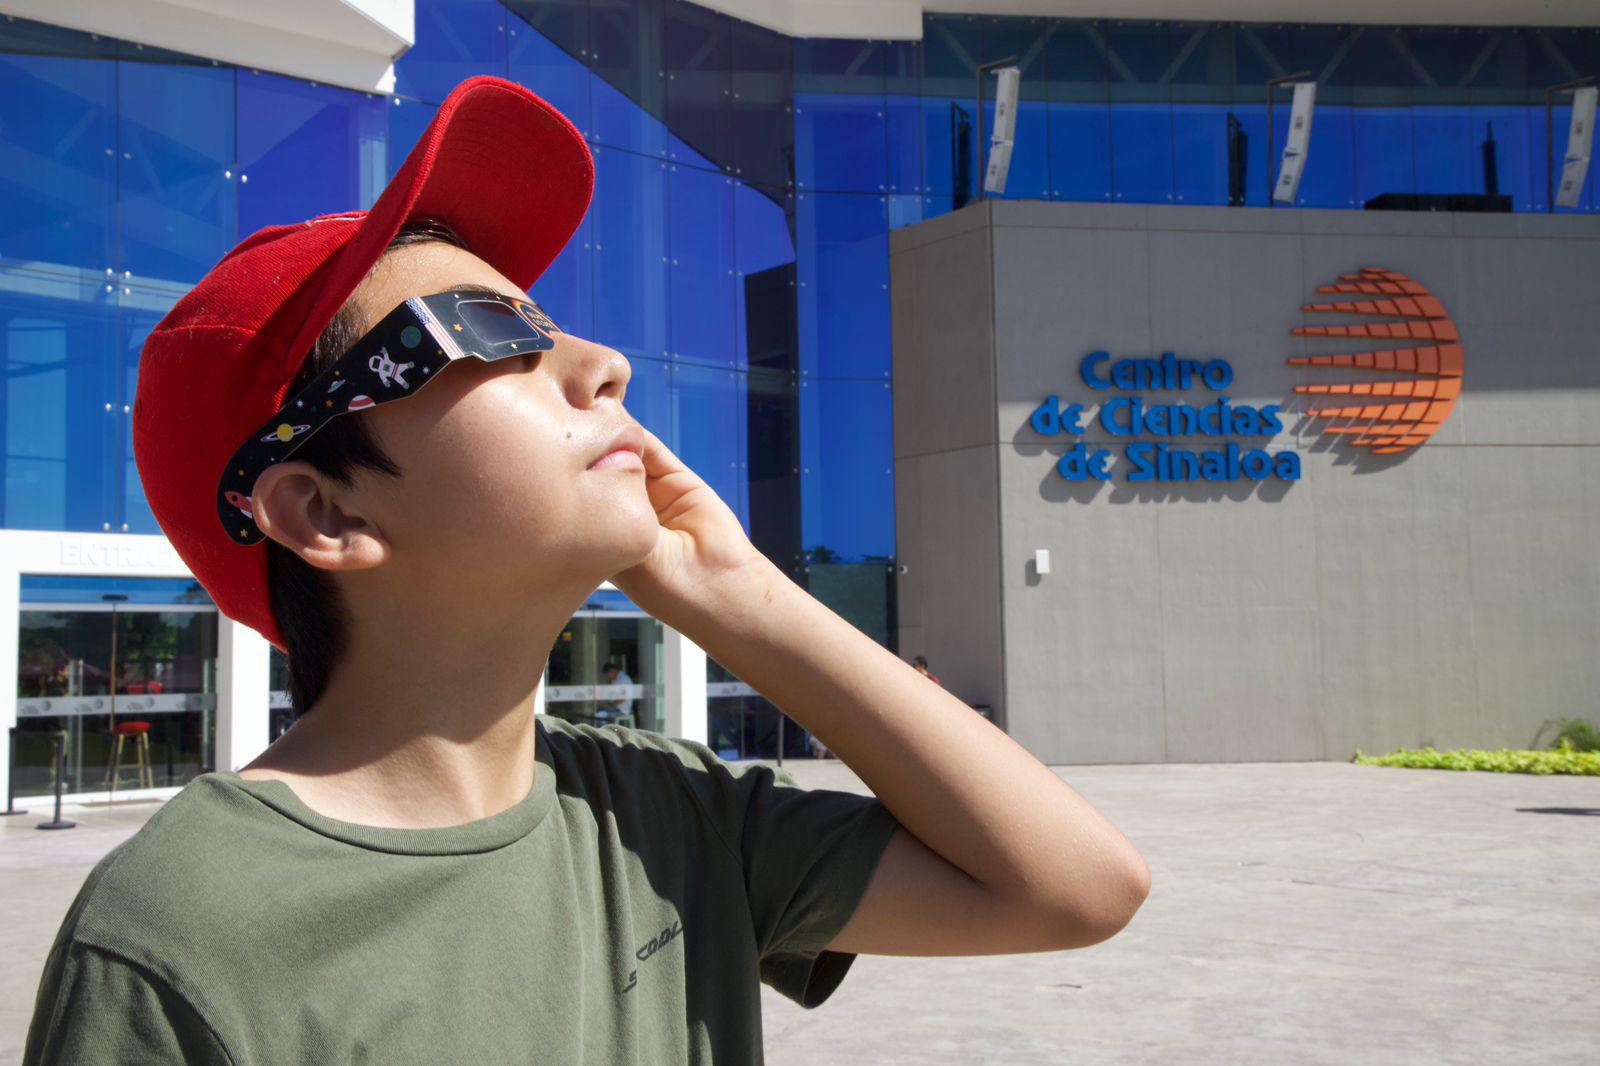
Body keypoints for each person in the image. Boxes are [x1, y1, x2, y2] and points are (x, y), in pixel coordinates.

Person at [23, 76, 1148, 1065]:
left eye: (551, 324)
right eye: (488, 331)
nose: (604, 364)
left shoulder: (662, 811)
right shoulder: (178, 933)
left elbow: (1078, 887)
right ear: (325, 510)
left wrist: (739, 598)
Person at [594, 661, 634, 725]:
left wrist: (609, 705)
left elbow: (621, 699)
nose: (607, 677)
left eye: (607, 675)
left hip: (621, 709)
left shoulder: (624, 680)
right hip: (616, 707)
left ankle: (605, 731)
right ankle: (607, 728)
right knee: (598, 711)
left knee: (599, 716)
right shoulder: (616, 679)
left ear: (612, 671)